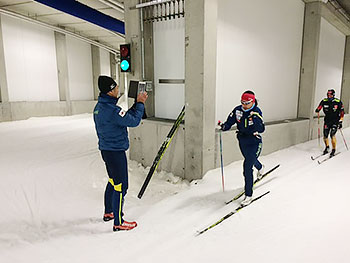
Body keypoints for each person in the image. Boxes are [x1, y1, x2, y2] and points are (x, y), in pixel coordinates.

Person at [93, 75, 148, 231]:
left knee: (113, 181)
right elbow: (134, 121)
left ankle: (109, 212)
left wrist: (136, 104)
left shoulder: (99, 107)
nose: (118, 89)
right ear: (110, 91)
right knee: (121, 186)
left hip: (106, 150)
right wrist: (141, 103)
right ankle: (119, 221)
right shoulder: (112, 110)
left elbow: (123, 118)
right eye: (116, 87)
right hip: (116, 152)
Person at [220, 91, 265, 206]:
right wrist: (224, 126)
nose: (244, 105)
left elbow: (261, 129)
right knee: (250, 159)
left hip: (255, 141)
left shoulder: (256, 111)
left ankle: (248, 194)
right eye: (242, 102)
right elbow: (230, 121)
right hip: (242, 140)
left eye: (247, 103)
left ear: (253, 101)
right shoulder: (238, 110)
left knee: (247, 166)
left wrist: (254, 118)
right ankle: (260, 167)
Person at [315, 89, 344, 157]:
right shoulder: (324, 101)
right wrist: (318, 110)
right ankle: (327, 147)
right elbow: (320, 106)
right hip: (327, 121)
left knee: (332, 135)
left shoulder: (338, 102)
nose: (329, 96)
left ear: (333, 95)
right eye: (328, 94)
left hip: (335, 121)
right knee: (325, 135)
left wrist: (340, 122)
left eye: (330, 94)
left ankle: (333, 149)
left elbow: (342, 113)